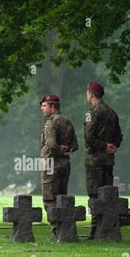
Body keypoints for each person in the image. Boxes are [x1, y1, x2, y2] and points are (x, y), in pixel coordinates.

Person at [84, 82, 123, 239]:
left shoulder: (92, 113)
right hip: (108, 161)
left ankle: (95, 230)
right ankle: (107, 228)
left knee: (94, 195)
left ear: (91, 95)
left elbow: (88, 136)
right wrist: (112, 146)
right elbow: (119, 136)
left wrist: (103, 145)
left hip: (94, 161)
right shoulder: (112, 112)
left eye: (87, 93)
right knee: (107, 196)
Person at [39, 94, 78, 236]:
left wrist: (58, 150)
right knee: (62, 197)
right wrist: (67, 151)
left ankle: (56, 230)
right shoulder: (67, 121)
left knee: (50, 199)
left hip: (50, 163)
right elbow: (75, 145)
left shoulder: (51, 122)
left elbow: (50, 144)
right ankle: (65, 228)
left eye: (44, 106)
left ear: (52, 106)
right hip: (65, 165)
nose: (41, 109)